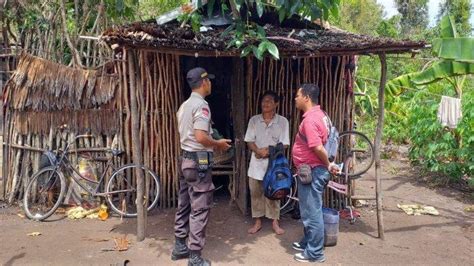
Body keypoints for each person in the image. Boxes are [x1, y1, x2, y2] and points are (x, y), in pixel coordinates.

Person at [172, 67, 232, 266]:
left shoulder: (184, 106)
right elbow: (200, 136)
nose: (211, 84)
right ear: (204, 82)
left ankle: (180, 245)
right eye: (209, 81)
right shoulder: (202, 106)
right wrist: (218, 144)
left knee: (184, 202)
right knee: (200, 207)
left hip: (186, 160)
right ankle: (195, 256)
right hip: (199, 161)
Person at [291, 83, 339, 263]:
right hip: (313, 169)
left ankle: (315, 253)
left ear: (306, 98)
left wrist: (328, 164)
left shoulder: (310, 120)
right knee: (308, 210)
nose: (295, 99)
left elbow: (317, 147)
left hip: (314, 170)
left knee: (312, 212)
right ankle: (308, 242)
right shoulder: (322, 115)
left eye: (297, 96)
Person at [244, 91, 290, 235]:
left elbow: (285, 144)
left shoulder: (282, 122)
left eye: (269, 101)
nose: (265, 103)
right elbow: (249, 141)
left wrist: (269, 151)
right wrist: (258, 151)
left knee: (274, 191)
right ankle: (257, 221)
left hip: (274, 165)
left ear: (276, 104)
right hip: (256, 163)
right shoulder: (254, 120)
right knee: (256, 192)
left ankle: (275, 222)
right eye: (264, 100)